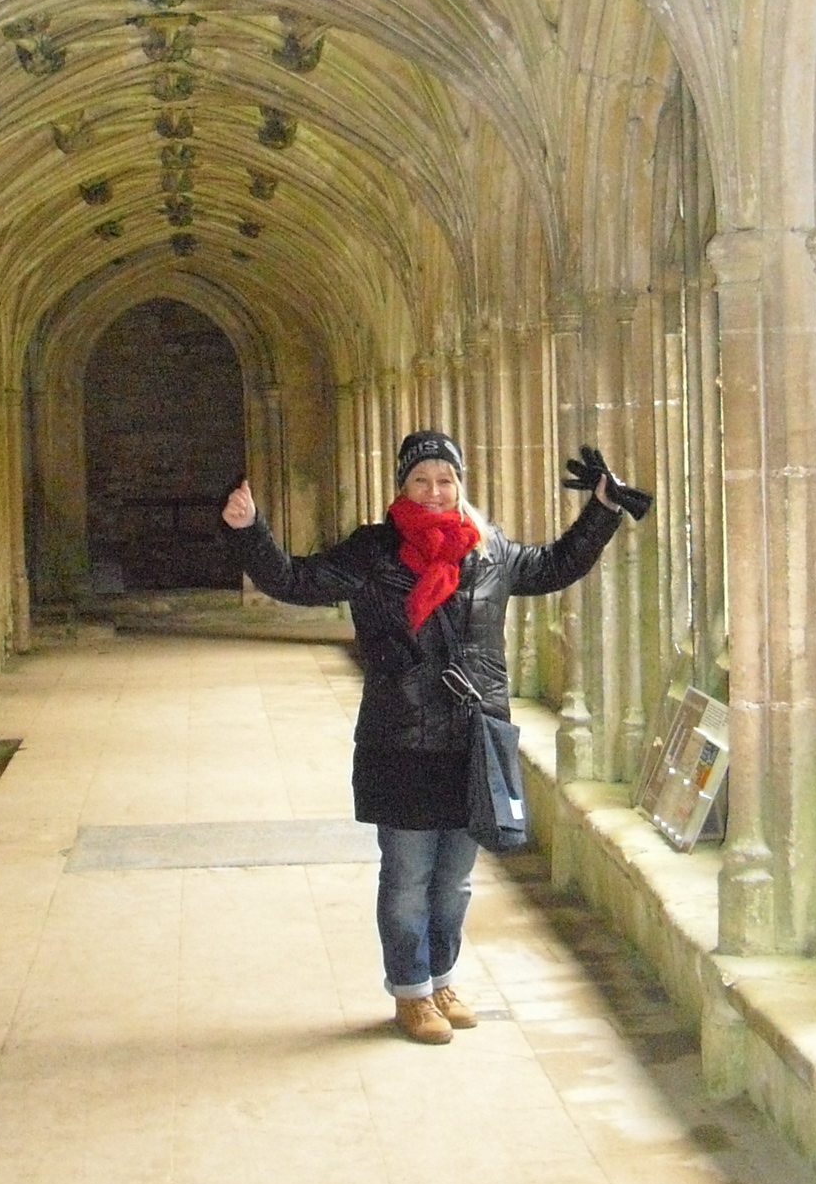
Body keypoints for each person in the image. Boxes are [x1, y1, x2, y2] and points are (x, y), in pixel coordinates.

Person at [220, 430, 625, 1043]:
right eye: (420, 480)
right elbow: (294, 581)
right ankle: (410, 992)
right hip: (401, 739)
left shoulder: (489, 551)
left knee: (455, 879)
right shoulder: (373, 552)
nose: (435, 491)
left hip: (472, 740)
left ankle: (442, 979)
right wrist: (250, 530)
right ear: (401, 487)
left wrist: (602, 509)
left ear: (460, 485)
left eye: (445, 479)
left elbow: (554, 566)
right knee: (407, 875)